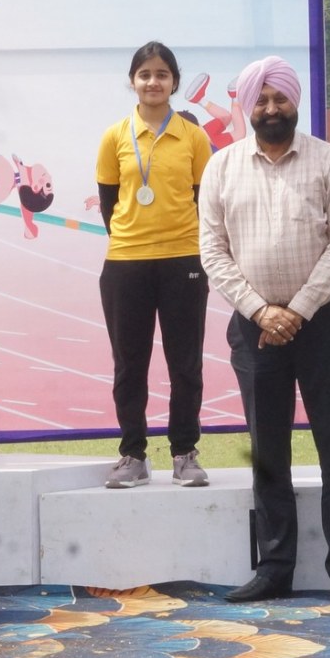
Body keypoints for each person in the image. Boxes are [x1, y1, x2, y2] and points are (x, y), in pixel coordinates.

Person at [197, 55, 330, 606]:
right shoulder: (222, 167)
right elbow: (213, 251)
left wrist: (296, 310)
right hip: (255, 327)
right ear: (248, 107)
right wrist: (260, 311)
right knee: (268, 450)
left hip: (325, 322)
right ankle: (274, 568)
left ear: (296, 102)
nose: (272, 109)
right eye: (262, 101)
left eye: (281, 99)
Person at [94, 42, 216, 490]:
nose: (153, 82)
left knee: (185, 363)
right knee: (129, 365)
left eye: (162, 74)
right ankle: (133, 455)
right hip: (126, 262)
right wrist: (134, 239)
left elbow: (205, 200)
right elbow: (109, 203)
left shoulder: (193, 137)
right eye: (144, 74)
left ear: (174, 82)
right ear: (133, 81)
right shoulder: (115, 137)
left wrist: (182, 244)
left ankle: (185, 453)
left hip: (183, 260)